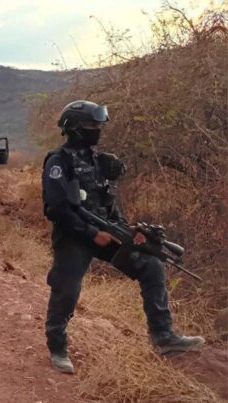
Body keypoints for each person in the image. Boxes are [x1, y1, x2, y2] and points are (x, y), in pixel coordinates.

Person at [42, 100, 204, 374]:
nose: (98, 129)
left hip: (107, 231)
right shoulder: (59, 160)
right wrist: (93, 233)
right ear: (76, 128)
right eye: (92, 125)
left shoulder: (97, 160)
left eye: (98, 125)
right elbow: (56, 208)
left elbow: (109, 201)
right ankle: (57, 347)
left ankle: (164, 337)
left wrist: (126, 230)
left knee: (151, 265)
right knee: (67, 289)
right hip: (75, 235)